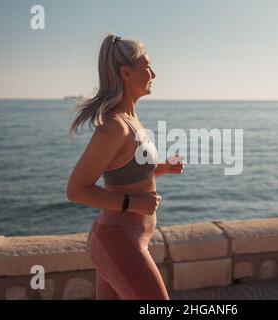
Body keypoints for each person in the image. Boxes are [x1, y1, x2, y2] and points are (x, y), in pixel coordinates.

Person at [66, 34, 184, 300]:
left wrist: (161, 169)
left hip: (129, 239)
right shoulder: (115, 127)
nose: (154, 73)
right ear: (126, 73)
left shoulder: (132, 120)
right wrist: (133, 204)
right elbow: (75, 190)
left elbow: (127, 173)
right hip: (116, 240)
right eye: (148, 66)